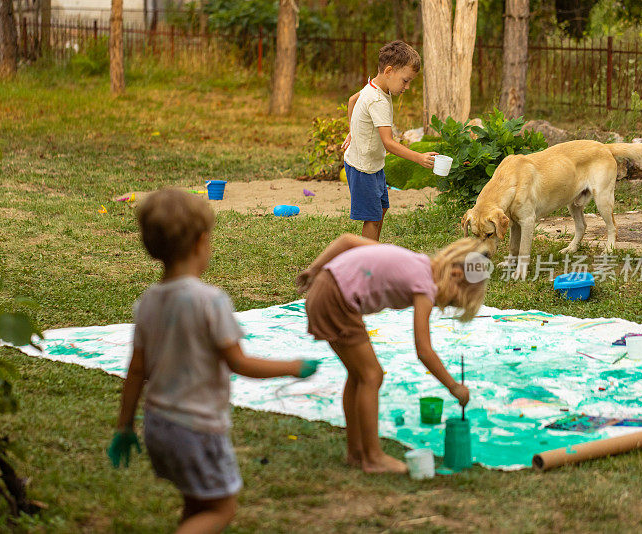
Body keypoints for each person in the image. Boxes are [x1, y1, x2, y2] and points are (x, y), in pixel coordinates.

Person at [108, 188, 319, 534]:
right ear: (201, 243)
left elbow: (135, 371)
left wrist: (124, 427)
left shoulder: (147, 302)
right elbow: (240, 363)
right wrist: (293, 367)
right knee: (222, 507)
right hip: (196, 428)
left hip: (158, 425)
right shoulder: (211, 301)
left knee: (197, 502)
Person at [297, 234, 493, 473]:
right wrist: (453, 387)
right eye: (454, 299)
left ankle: (356, 452)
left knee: (359, 374)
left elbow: (347, 241)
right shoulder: (425, 286)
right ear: (455, 274)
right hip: (337, 299)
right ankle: (373, 458)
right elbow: (423, 350)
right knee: (371, 376)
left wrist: (314, 270)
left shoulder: (413, 261)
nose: (447, 303)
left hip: (325, 289)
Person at [342, 40, 438, 241]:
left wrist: (353, 131)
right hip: (363, 168)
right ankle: (367, 258)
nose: (408, 86)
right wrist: (419, 158)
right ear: (389, 71)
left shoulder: (374, 86)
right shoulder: (378, 101)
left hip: (373, 164)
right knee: (372, 216)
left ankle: (372, 248)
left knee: (382, 208)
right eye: (405, 80)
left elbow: (352, 99)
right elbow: (389, 143)